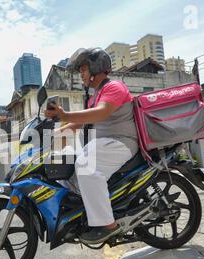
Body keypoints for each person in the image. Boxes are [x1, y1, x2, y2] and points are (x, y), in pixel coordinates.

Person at [44, 47, 139, 244]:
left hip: (121, 142)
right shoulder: (97, 94)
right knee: (69, 160)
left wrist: (64, 115)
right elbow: (85, 121)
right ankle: (81, 210)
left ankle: (108, 226)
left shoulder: (114, 87)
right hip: (104, 144)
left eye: (83, 70)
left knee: (86, 166)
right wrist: (61, 129)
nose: (81, 74)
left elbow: (101, 113)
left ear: (96, 68)